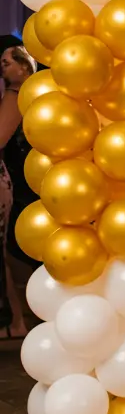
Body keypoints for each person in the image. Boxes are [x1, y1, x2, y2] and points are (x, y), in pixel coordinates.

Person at [0, 45, 36, 337]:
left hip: (14, 178)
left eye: (7, 63)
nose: (3, 68)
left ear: (24, 67)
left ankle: (16, 319)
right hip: (21, 177)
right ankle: (16, 319)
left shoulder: (15, 98)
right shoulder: (29, 97)